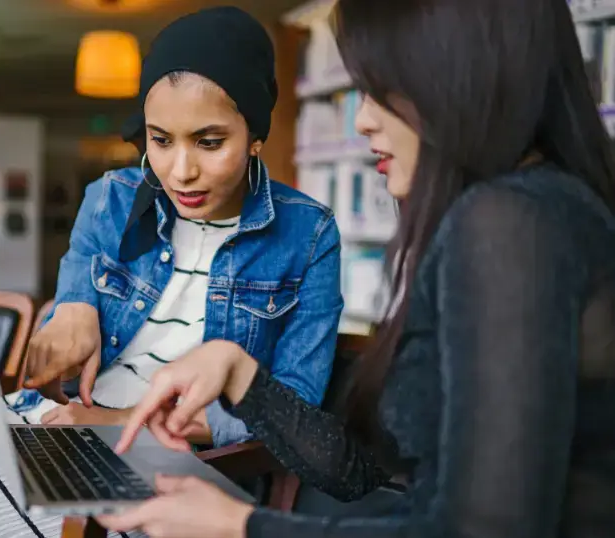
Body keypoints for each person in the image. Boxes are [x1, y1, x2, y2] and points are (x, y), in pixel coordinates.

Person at [0, 7, 344, 537]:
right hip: (47, 429)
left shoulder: (309, 235)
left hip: (169, 473)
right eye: (159, 140)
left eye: (209, 142)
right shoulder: (111, 198)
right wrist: (68, 316)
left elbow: (288, 411)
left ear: (255, 135)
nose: (181, 170)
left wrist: (127, 422)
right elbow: (72, 311)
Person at [93, 0, 615, 536]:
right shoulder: (541, 210)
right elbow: (360, 474)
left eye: (380, 89)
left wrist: (240, 527)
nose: (363, 120)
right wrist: (240, 373)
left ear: (457, 74)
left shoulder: (508, 224)